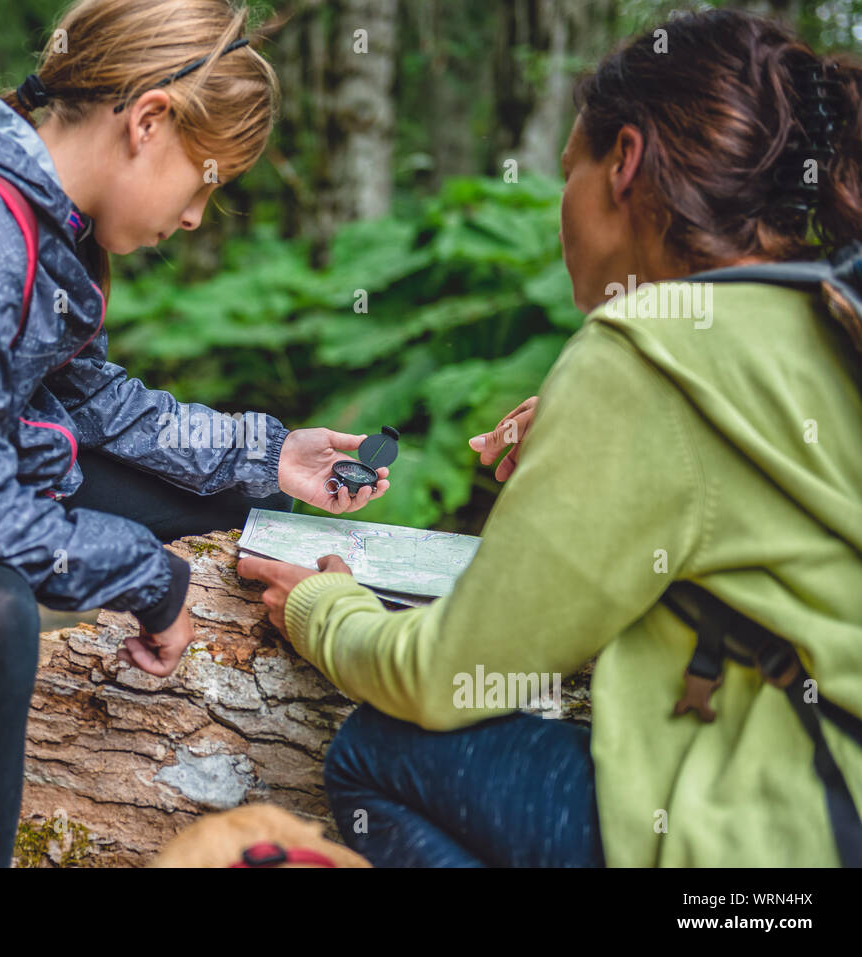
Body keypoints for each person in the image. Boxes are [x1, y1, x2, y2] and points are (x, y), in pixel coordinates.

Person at [0, 0, 390, 867]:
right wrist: (145, 577)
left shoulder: (53, 227)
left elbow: (98, 406)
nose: (197, 214)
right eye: (205, 180)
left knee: (241, 488)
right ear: (149, 121)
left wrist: (267, 454)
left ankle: (216, 742)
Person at [239, 8, 862, 867]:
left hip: (772, 853)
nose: (559, 202)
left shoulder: (647, 351)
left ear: (625, 162)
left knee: (375, 752)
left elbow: (446, 676)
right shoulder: (830, 314)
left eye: (567, 170)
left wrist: (325, 607)